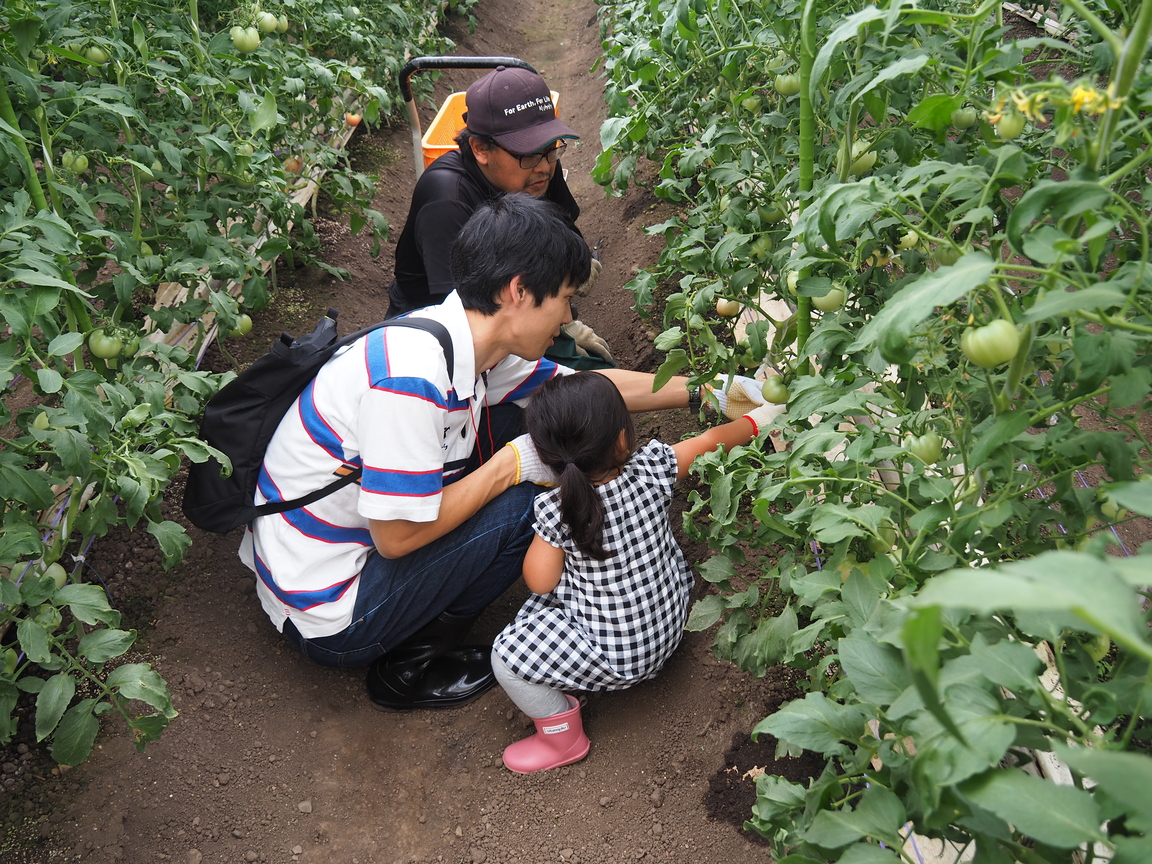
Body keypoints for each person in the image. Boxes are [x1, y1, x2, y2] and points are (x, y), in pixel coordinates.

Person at [239, 194, 702, 711]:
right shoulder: (409, 382)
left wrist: (709, 390)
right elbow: (395, 539)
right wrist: (508, 466)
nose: (569, 315)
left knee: (552, 425)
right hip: (333, 607)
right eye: (566, 298)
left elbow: (589, 393)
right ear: (519, 290)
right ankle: (411, 663)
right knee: (537, 497)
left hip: (328, 551)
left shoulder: (464, 344)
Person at [490, 372, 784, 774]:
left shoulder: (556, 510)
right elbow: (707, 443)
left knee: (506, 656)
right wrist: (760, 420)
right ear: (624, 439)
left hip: (619, 657)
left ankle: (562, 737)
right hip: (673, 618)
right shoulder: (653, 468)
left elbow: (540, 583)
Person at [386, 64, 613, 369]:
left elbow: (562, 235)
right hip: (443, 340)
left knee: (595, 372)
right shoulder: (447, 199)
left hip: (521, 303)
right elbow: (468, 319)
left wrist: (568, 321)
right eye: (530, 152)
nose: (545, 166)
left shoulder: (537, 164)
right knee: (579, 387)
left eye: (551, 149)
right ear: (481, 148)